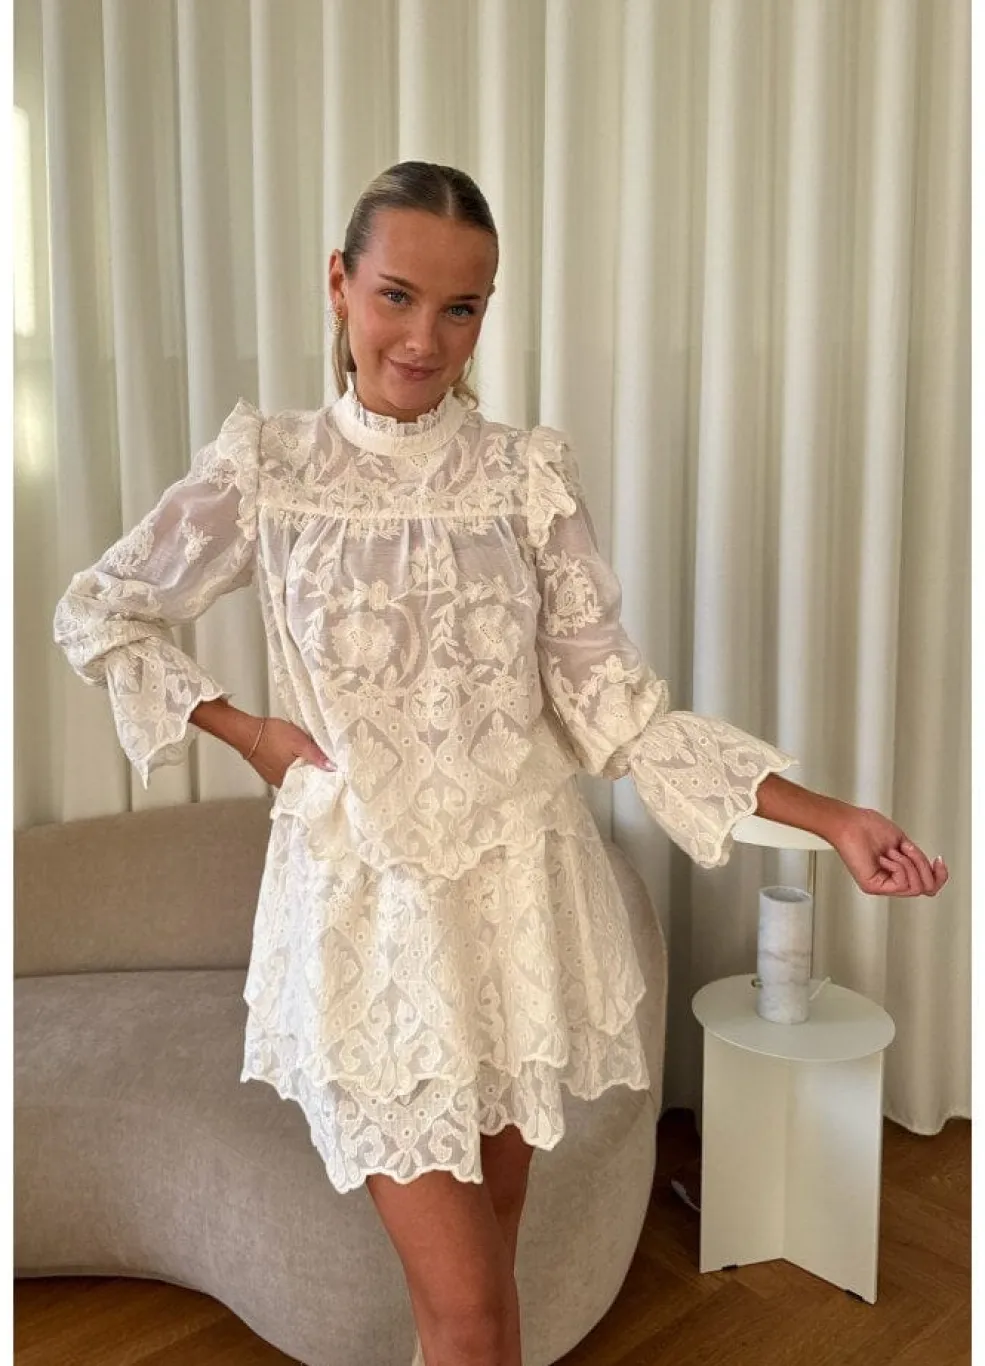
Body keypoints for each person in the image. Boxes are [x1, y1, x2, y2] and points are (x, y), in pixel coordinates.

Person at [53, 161, 948, 1366]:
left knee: (485, 1289)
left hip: (518, 913)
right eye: (396, 295)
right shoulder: (270, 467)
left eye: (460, 308)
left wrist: (828, 815)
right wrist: (252, 734)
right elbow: (100, 609)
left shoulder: (526, 477)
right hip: (371, 926)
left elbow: (613, 709)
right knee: (473, 1313)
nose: (424, 339)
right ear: (339, 284)